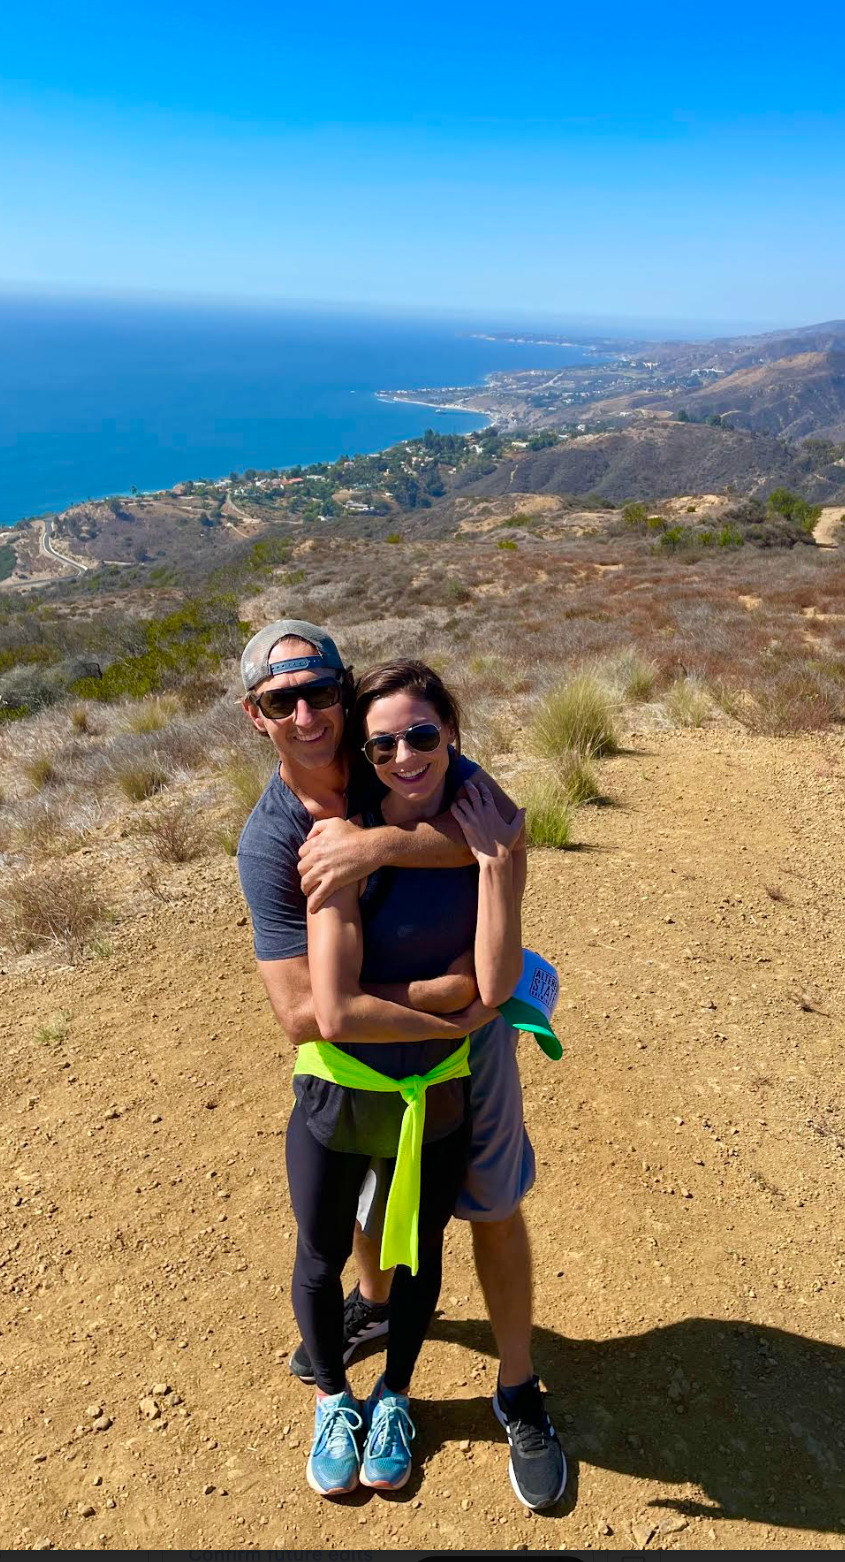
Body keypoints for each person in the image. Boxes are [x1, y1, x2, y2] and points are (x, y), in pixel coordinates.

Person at [236, 621, 566, 1509]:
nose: (308, 716)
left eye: (320, 693)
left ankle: (518, 1387)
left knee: (488, 1206)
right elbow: (310, 1014)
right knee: (362, 1210)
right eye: (281, 701)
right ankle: (368, 1331)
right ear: (255, 716)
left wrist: (377, 845)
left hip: (467, 1051)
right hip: (392, 1050)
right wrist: (451, 993)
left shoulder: (403, 742)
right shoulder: (274, 841)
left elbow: (503, 832)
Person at [290, 659, 524, 1494]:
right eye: (382, 743)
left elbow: (495, 985)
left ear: (452, 736)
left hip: (437, 1094)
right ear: (366, 752)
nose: (404, 756)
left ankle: (393, 1393)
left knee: (419, 1254)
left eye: (422, 736)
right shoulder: (339, 847)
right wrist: (449, 1011)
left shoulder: (487, 831)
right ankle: (332, 1398)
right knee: (322, 1254)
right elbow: (338, 1012)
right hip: (343, 1088)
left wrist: (496, 868)